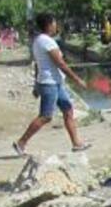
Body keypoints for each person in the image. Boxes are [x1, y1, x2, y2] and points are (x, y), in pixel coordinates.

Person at [13, 13, 89, 155]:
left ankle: (76, 144)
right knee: (46, 116)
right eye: (54, 23)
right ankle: (21, 143)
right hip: (50, 83)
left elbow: (38, 65)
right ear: (49, 25)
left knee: (68, 110)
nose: (56, 25)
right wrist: (76, 79)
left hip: (55, 82)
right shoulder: (47, 41)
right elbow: (60, 63)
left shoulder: (38, 41)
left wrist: (36, 83)